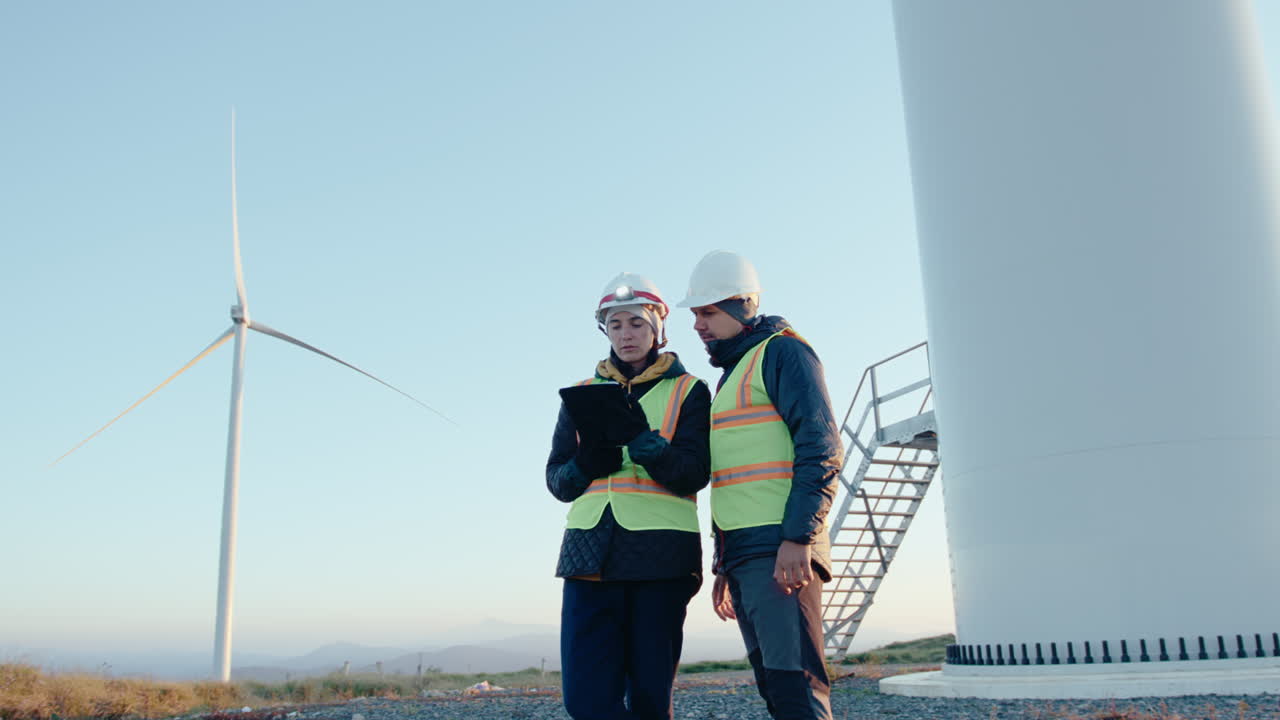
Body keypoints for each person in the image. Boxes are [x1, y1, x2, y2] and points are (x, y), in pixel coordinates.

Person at [677, 250, 842, 720]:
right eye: (696, 314)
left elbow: (822, 448)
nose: (698, 325)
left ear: (741, 306)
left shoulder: (784, 353)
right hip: (747, 553)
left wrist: (798, 538)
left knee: (797, 687)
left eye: (707, 312)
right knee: (776, 687)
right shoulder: (734, 372)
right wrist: (723, 562)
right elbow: (735, 476)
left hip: (781, 548)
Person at [546, 272, 711, 720]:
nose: (626, 335)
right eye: (615, 325)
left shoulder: (689, 390)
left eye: (636, 323)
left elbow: (695, 473)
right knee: (585, 700)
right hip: (588, 559)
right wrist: (584, 465)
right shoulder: (580, 395)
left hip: (660, 559)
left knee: (649, 699)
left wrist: (653, 450)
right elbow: (557, 481)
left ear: (658, 325)